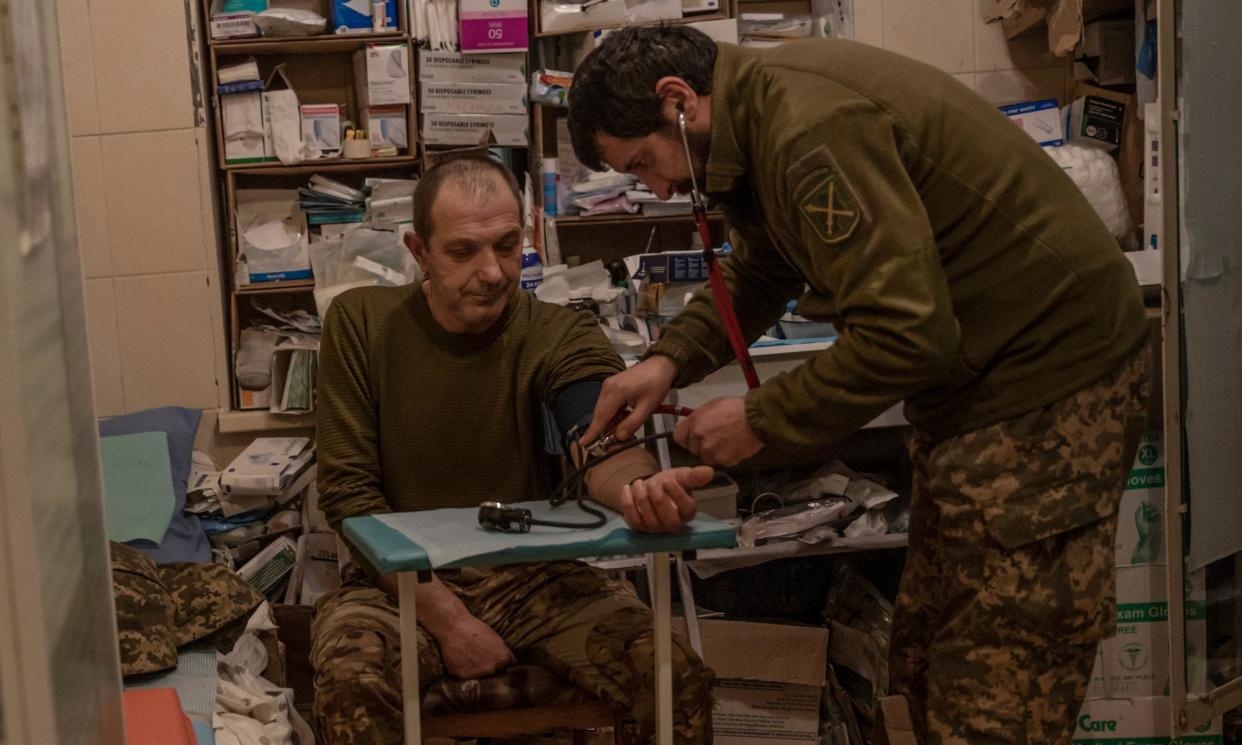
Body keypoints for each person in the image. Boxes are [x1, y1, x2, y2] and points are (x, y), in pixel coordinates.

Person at [568, 27, 1150, 745]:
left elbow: (907, 333)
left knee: (997, 689)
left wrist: (761, 417)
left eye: (645, 164)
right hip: (977, 391)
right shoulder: (760, 123)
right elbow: (762, 268)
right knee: (923, 663)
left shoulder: (811, 128)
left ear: (678, 100)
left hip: (1049, 383)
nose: (656, 188)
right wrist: (667, 361)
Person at [310, 155, 716, 745]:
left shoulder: (557, 332)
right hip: (397, 582)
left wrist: (639, 488)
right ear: (418, 251)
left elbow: (598, 438)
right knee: (352, 682)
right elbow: (348, 495)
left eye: (506, 246)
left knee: (672, 673)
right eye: (463, 251)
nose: (494, 273)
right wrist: (450, 621)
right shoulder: (361, 325)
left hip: (532, 578)